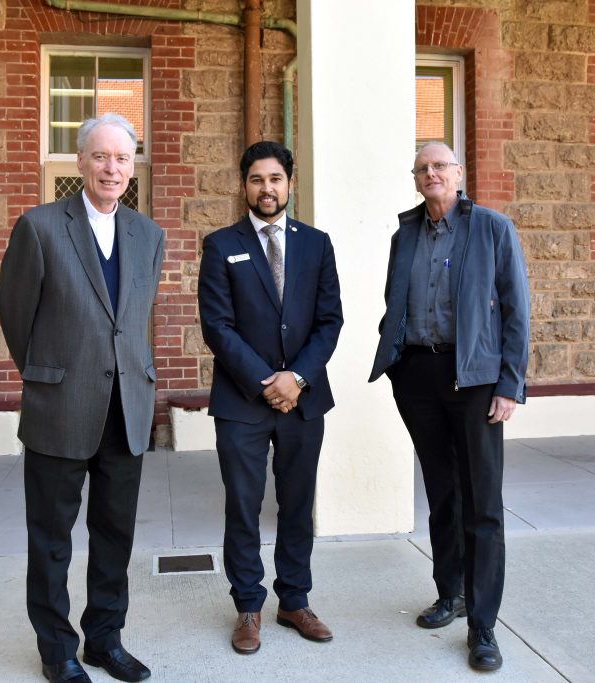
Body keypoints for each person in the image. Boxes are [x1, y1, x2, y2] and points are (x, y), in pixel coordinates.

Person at [0, 114, 163, 683]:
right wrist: (48, 373)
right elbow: (16, 314)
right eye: (101, 157)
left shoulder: (149, 234)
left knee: (115, 535)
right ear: (80, 163)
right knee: (51, 538)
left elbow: (134, 320)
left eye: (123, 157)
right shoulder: (40, 227)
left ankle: (104, 640)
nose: (112, 167)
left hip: (126, 409)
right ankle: (57, 651)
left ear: (132, 165)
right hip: (59, 407)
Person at [368, 142, 530, 672]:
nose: (431, 173)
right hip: (418, 374)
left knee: (482, 501)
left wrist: (509, 384)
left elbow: (515, 310)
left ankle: (482, 625)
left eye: (440, 165)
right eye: (423, 167)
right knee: (441, 492)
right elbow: (395, 300)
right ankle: (451, 593)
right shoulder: (405, 233)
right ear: (415, 178)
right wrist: (392, 355)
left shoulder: (490, 228)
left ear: (458, 173)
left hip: (476, 379)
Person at [198, 141, 343, 655]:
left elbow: (330, 321)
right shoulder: (220, 245)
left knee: (298, 504)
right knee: (242, 505)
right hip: (242, 402)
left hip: (304, 401)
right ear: (244, 186)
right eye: (257, 179)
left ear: (290, 184)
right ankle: (248, 606)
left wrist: (296, 379)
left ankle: (294, 600)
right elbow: (217, 326)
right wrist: (267, 380)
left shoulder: (317, 244)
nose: (267, 188)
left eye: (276, 178)